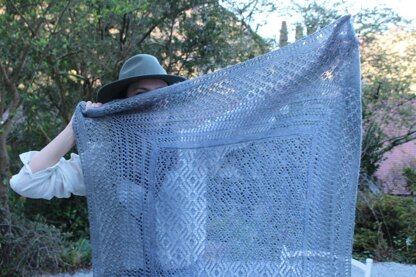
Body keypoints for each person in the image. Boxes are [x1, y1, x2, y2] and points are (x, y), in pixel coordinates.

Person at [9, 54, 186, 200]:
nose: (153, 101)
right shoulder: (105, 160)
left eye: (161, 93)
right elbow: (24, 183)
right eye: (141, 94)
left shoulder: (191, 147)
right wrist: (74, 128)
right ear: (124, 105)